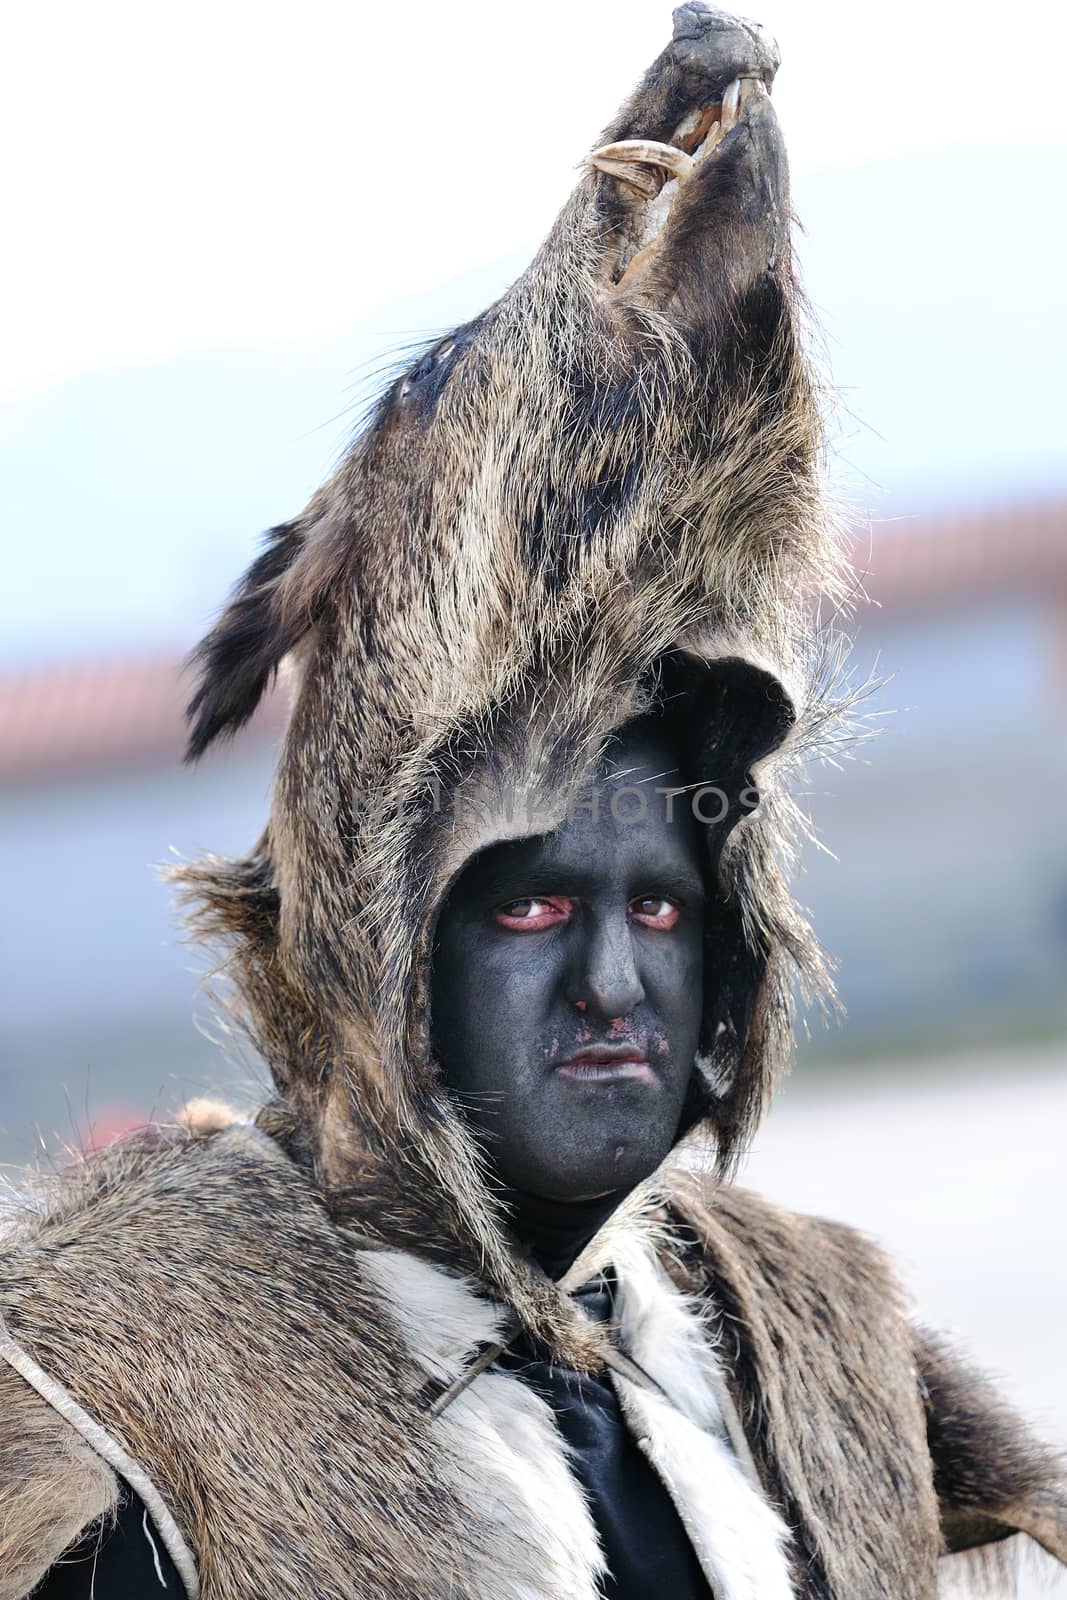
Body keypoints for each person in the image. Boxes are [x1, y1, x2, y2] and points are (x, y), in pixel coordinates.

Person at [3, 8, 1065, 1598]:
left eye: (659, 906)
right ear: (383, 951)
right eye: (535, 903)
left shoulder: (811, 1338)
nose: (618, 980)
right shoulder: (110, 1384)